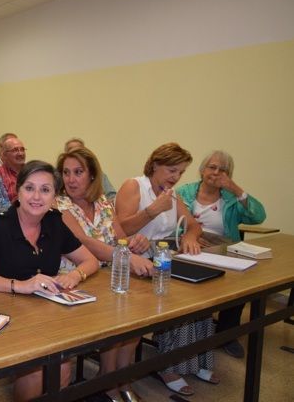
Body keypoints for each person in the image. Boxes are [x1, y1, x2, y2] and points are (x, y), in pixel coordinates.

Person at [0, 160, 99, 402]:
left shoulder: (54, 223)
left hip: (44, 314)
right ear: (17, 191)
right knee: (36, 371)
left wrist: (73, 275)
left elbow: (90, 261)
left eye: (45, 190)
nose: (36, 196)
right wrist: (21, 285)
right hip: (4, 313)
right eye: (29, 188)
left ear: (54, 196)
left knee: (62, 367)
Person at [116, 143, 214, 397]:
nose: (175, 177)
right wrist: (151, 211)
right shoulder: (134, 186)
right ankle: (168, 366)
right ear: (155, 165)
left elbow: (193, 224)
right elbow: (121, 230)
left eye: (180, 173)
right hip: (131, 263)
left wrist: (191, 236)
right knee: (174, 301)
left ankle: (195, 362)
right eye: (171, 170)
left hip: (160, 260)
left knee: (198, 298)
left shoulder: (172, 194)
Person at [56, 148, 151, 402]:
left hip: (111, 276)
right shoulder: (60, 205)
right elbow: (83, 241)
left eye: (78, 172)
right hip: (76, 279)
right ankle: (108, 382)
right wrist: (127, 257)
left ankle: (122, 378)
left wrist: (135, 243)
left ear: (92, 175)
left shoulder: (103, 204)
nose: (71, 179)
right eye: (66, 173)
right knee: (117, 317)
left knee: (136, 317)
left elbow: (120, 239)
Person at [178, 150, 267, 359]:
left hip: (224, 248)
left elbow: (259, 216)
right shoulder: (185, 191)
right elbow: (171, 221)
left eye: (223, 170)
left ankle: (227, 334)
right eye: (212, 167)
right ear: (202, 170)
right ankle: (186, 333)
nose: (216, 172)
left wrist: (235, 189)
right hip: (192, 246)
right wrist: (189, 235)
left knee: (240, 282)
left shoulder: (231, 198)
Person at [65, 137, 117, 202]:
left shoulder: (99, 175)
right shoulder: (57, 177)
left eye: (79, 172)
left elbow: (112, 196)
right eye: (71, 149)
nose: (71, 179)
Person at [0, 134, 26, 202]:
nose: (20, 153)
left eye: (22, 149)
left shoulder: (32, 171)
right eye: (15, 150)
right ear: (4, 155)